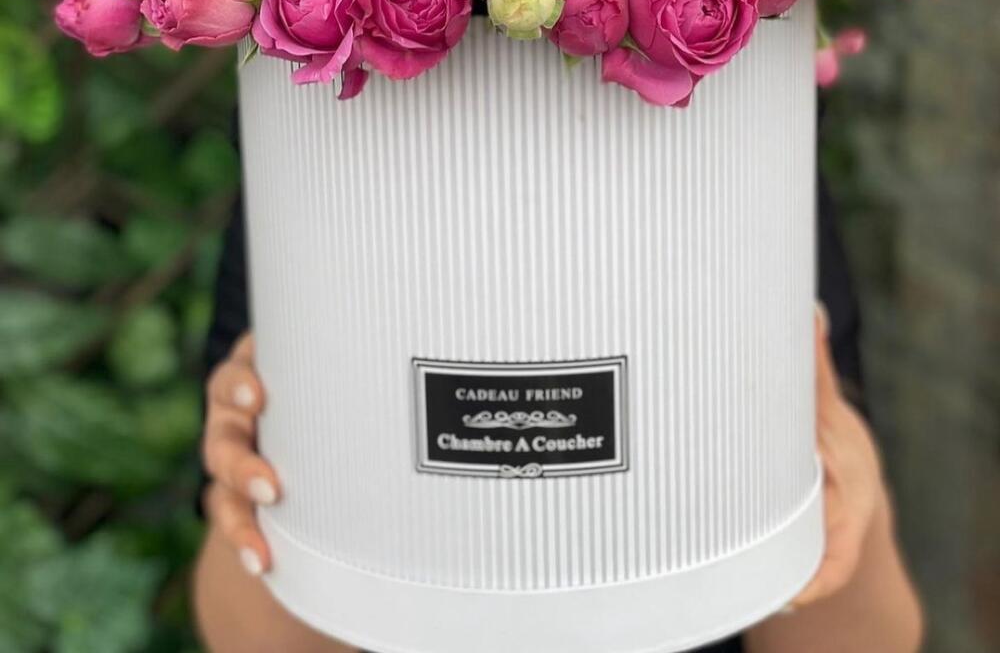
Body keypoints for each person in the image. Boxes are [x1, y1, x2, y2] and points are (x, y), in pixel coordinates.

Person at [193, 180, 924, 653]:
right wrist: (268, 492)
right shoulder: (310, 186)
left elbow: (867, 636)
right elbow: (252, 635)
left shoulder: (747, 165)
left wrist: (830, 491)